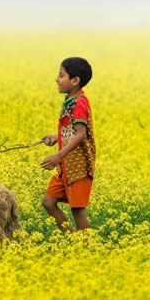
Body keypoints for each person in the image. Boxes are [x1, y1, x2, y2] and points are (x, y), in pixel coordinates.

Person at [41, 57, 96, 231]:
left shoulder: (79, 102)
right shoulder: (70, 99)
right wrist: (56, 137)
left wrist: (58, 155)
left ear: (75, 80)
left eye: (61, 76)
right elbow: (71, 129)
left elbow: (81, 134)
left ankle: (87, 247)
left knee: (77, 209)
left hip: (78, 167)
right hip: (66, 165)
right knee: (48, 202)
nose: (57, 79)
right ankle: (72, 240)